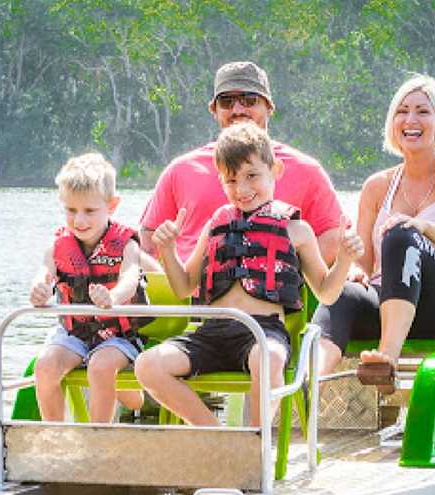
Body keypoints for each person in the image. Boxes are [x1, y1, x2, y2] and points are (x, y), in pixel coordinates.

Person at [134, 123, 364, 426]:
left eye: (251, 176)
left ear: (276, 170)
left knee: (267, 358)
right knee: (148, 365)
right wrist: (168, 250)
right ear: (221, 181)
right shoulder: (215, 224)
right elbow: (183, 286)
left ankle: (257, 443)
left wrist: (345, 260)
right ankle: (220, 438)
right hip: (211, 334)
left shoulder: (298, 230)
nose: (242, 190)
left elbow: (326, 292)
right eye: (231, 180)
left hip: (264, 332)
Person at [312, 74, 435, 384]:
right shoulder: (376, 186)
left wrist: (424, 228)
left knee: (402, 233)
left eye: (422, 111)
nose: (411, 119)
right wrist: (351, 263)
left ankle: (386, 361)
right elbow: (365, 262)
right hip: (386, 303)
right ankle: (310, 382)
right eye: (402, 111)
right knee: (342, 293)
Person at [139, 61, 344, 266]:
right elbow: (148, 241)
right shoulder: (180, 170)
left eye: (249, 99)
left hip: (278, 292)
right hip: (194, 292)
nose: (237, 109)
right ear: (215, 110)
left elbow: (333, 235)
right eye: (226, 102)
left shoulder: (307, 171)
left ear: (269, 107)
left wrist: (289, 277)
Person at [29, 152, 147, 422]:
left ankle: (97, 439)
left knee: (101, 367)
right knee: (45, 367)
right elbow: (44, 273)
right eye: (71, 210)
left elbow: (130, 279)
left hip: (117, 337)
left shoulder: (127, 245)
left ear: (112, 205)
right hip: (74, 334)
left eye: (90, 211)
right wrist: (39, 289)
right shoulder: (58, 246)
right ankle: (56, 438)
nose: (79, 221)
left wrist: (112, 296)